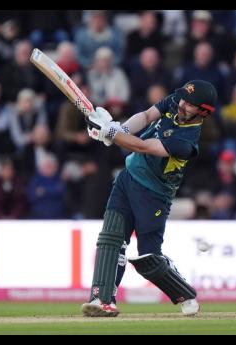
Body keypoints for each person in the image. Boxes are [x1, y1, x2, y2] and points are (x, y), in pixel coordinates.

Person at [81, 79, 217, 317]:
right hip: (128, 178)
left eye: (191, 104)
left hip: (154, 195)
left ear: (203, 111)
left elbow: (144, 146)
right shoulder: (176, 101)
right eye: (183, 98)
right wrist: (120, 129)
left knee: (148, 258)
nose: (183, 104)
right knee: (111, 238)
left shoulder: (186, 141)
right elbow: (145, 116)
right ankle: (102, 300)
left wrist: (110, 133)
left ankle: (184, 292)